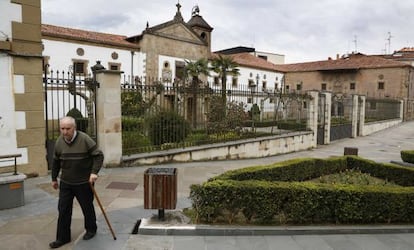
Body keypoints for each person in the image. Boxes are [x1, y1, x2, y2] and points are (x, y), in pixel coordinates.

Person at [49, 116, 104, 249]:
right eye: (62, 128)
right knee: (63, 210)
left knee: (87, 207)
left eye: (68, 128)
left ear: (74, 128)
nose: (65, 132)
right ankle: (62, 238)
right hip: (66, 182)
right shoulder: (59, 142)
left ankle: (91, 229)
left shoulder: (85, 139)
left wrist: (94, 172)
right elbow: (56, 161)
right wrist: (54, 178)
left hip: (84, 182)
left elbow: (98, 155)